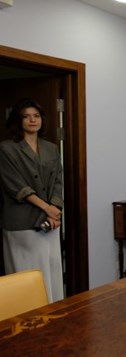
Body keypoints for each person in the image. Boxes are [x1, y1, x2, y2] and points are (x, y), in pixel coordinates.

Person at [0, 98, 64, 302]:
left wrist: (54, 208)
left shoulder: (51, 148)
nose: (32, 120)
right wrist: (48, 208)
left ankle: (53, 320)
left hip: (49, 222)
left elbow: (58, 181)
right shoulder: (6, 149)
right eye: (26, 116)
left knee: (51, 271)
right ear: (18, 121)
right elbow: (15, 185)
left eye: (36, 116)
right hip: (22, 222)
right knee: (27, 276)